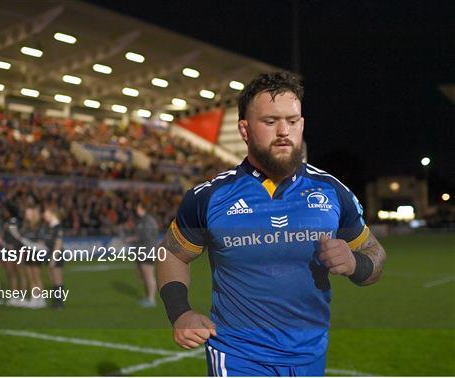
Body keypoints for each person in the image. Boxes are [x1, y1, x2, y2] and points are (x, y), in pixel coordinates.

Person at [156, 71, 386, 376]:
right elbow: (171, 253)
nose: (283, 131)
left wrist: (356, 263)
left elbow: (375, 254)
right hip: (238, 357)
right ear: (244, 129)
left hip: (310, 357)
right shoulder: (209, 197)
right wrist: (180, 312)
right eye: (270, 121)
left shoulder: (332, 191)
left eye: (292, 121)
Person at [132, 202, 159, 307]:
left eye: (138, 208)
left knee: (148, 274)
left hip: (147, 251)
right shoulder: (143, 220)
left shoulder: (148, 221)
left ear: (143, 209)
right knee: (142, 274)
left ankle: (151, 300)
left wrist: (134, 238)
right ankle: (148, 296)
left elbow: (147, 236)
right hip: (142, 250)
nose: (136, 210)